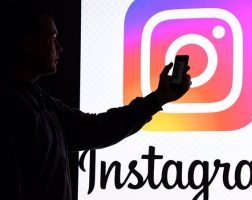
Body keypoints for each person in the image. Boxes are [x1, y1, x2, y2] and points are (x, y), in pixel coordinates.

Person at [0, 1, 191, 200]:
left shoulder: (42, 103)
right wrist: (157, 100)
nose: (60, 47)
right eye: (52, 37)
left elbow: (98, 128)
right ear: (29, 45)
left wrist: (158, 98)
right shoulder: (16, 108)